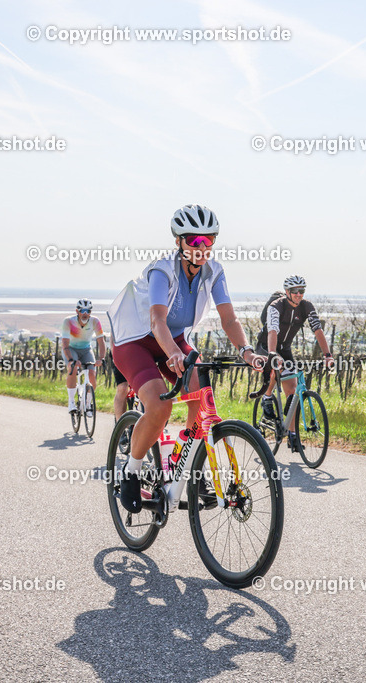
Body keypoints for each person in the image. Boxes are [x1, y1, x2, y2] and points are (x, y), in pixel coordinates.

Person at [108, 204, 265, 513]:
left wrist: (246, 350)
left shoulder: (214, 271)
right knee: (160, 405)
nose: (201, 248)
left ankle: (188, 466)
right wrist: (176, 354)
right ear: (178, 241)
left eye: (208, 241)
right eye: (193, 240)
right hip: (135, 339)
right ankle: (131, 470)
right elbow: (156, 321)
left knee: (199, 392)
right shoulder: (161, 270)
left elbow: (229, 320)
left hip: (173, 338)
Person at [256, 275, 334, 451]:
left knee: (292, 390)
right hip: (266, 346)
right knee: (275, 368)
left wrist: (327, 355)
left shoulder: (307, 306)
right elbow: (273, 331)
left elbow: (318, 330)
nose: (299, 294)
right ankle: (267, 396)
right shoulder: (276, 306)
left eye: (302, 291)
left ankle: (292, 435)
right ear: (287, 292)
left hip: (285, 349)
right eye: (295, 291)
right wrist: (272, 355)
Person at [61, 299, 107, 412]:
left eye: (88, 311)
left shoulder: (95, 321)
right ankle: (71, 402)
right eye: (82, 310)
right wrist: (71, 360)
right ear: (77, 311)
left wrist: (101, 358)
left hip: (86, 349)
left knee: (92, 372)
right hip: (71, 349)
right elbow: (65, 345)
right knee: (73, 368)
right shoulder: (68, 321)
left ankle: (88, 403)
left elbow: (101, 341)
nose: (85, 313)